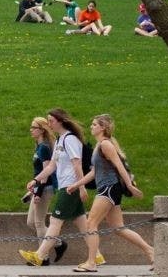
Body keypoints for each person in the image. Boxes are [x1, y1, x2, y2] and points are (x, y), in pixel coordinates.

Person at [65, 114, 153, 272]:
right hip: (108, 188)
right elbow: (94, 172)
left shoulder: (106, 144)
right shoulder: (99, 145)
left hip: (109, 188)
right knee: (118, 227)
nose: (91, 127)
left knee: (91, 223)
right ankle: (152, 252)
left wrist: (130, 186)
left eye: (94, 124)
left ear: (103, 128)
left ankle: (91, 263)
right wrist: (76, 185)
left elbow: (120, 166)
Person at [19, 108, 105, 268]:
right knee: (82, 223)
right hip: (67, 186)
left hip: (70, 186)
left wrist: (81, 187)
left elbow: (77, 164)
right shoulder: (60, 140)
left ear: (60, 121)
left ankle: (39, 255)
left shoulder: (70, 139)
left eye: (51, 120)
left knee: (55, 221)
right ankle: (97, 256)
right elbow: (52, 166)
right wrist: (36, 180)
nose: (49, 123)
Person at [26, 117, 58, 257]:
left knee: (38, 223)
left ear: (42, 130)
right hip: (38, 187)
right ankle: (58, 243)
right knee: (31, 222)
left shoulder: (44, 147)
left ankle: (42, 257)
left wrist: (38, 192)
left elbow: (46, 172)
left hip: (45, 188)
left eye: (34, 127)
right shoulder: (39, 146)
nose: (31, 130)